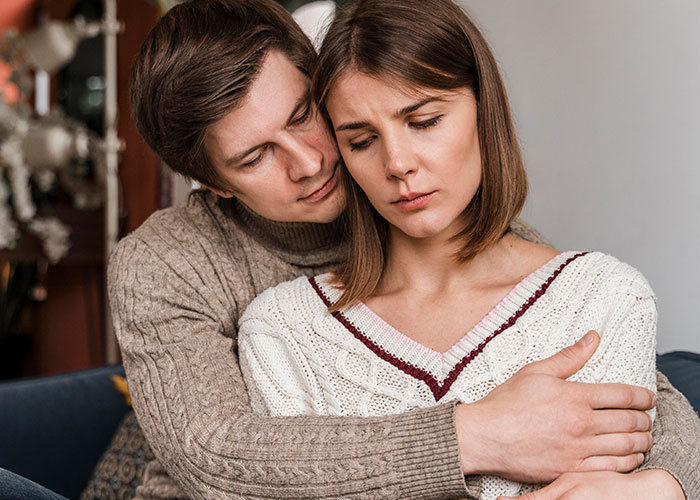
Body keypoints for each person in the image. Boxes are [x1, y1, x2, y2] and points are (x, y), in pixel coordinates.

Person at [107, 0, 700, 499]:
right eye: (256, 156)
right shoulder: (165, 264)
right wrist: (474, 436)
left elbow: (631, 378)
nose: (308, 163)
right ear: (213, 183)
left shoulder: (426, 208)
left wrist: (667, 481)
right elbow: (214, 456)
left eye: (304, 115)